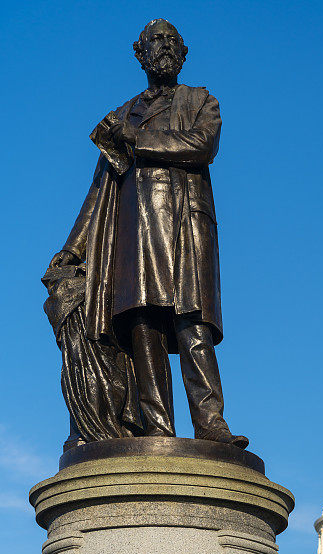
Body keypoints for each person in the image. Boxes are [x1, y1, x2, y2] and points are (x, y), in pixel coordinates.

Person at [48, 19, 247, 447]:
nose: (165, 48)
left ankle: (211, 424)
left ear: (184, 52)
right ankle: (158, 430)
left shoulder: (200, 101)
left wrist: (136, 140)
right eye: (157, 42)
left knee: (191, 326)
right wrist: (73, 247)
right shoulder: (121, 115)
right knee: (144, 328)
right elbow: (100, 190)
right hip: (134, 236)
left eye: (173, 42)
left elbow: (201, 145)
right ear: (140, 54)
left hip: (184, 228)